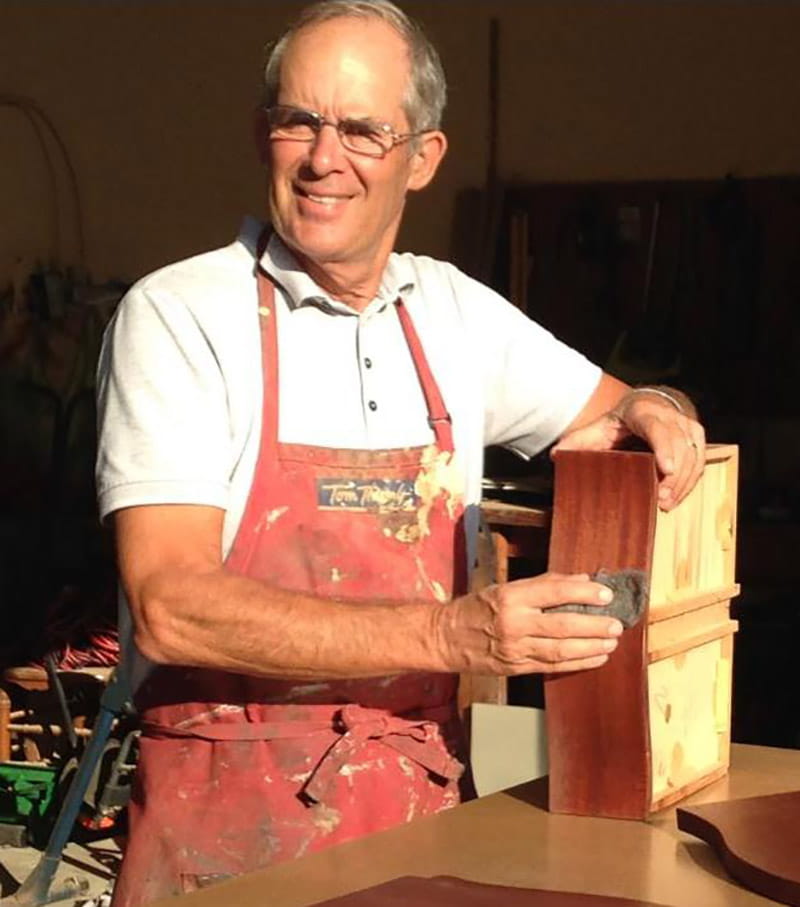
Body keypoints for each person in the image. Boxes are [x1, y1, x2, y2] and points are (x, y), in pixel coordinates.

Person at [95, 2, 706, 904]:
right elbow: (169, 605)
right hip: (225, 837)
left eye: (363, 130)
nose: (323, 158)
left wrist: (661, 408)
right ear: (262, 135)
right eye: (298, 121)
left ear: (423, 158)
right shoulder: (179, 316)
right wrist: (454, 633)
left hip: (419, 821)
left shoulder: (452, 312)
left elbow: (624, 413)